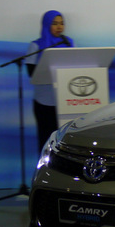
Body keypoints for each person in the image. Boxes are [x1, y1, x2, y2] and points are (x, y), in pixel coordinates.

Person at [25, 10, 74, 151]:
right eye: (55, 23)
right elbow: (31, 73)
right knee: (45, 139)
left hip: (65, 101)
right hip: (44, 102)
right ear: (46, 25)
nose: (59, 27)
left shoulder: (68, 43)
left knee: (63, 140)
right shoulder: (35, 46)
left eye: (62, 23)